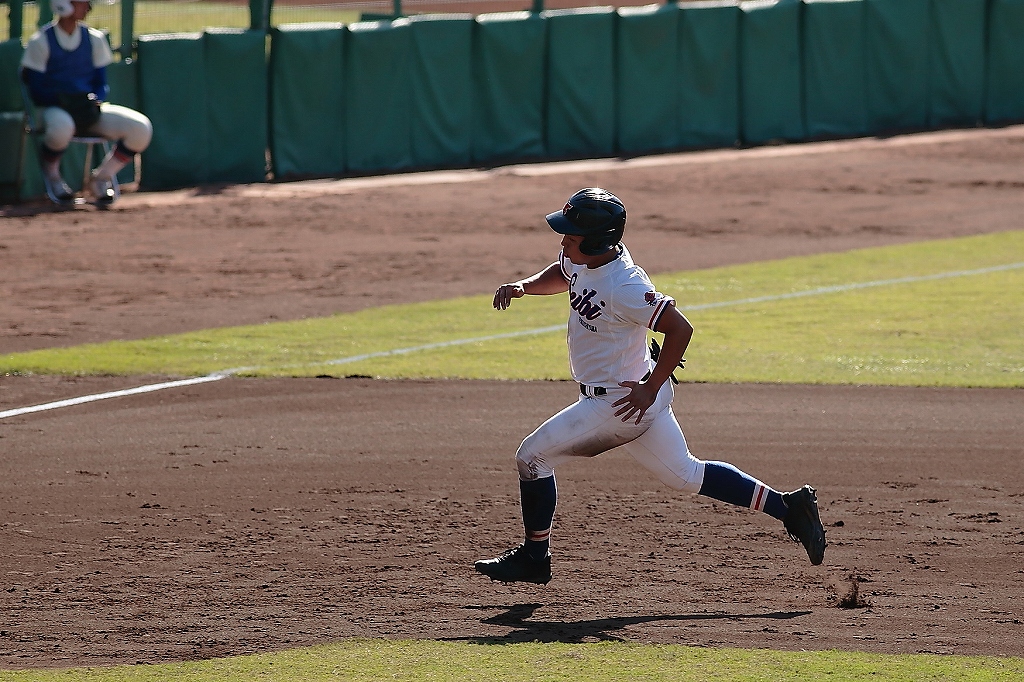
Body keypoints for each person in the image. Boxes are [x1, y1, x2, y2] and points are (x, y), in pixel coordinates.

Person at [474, 188, 826, 585]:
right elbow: (562, 272)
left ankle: (535, 559)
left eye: (571, 236)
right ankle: (788, 507)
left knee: (532, 458)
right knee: (686, 475)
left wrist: (650, 385)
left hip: (618, 405)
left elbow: (680, 327)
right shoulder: (586, 259)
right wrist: (524, 286)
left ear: (595, 241)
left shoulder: (623, 285)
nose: (563, 241)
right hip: (640, 399)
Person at [20, 0, 152, 206]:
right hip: (54, 108)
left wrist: (93, 100)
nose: (86, 7)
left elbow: (101, 84)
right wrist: (64, 101)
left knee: (140, 128)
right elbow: (36, 90)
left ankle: (100, 179)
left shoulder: (94, 38)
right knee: (62, 126)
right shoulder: (41, 41)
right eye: (79, 2)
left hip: (86, 110)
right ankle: (54, 178)